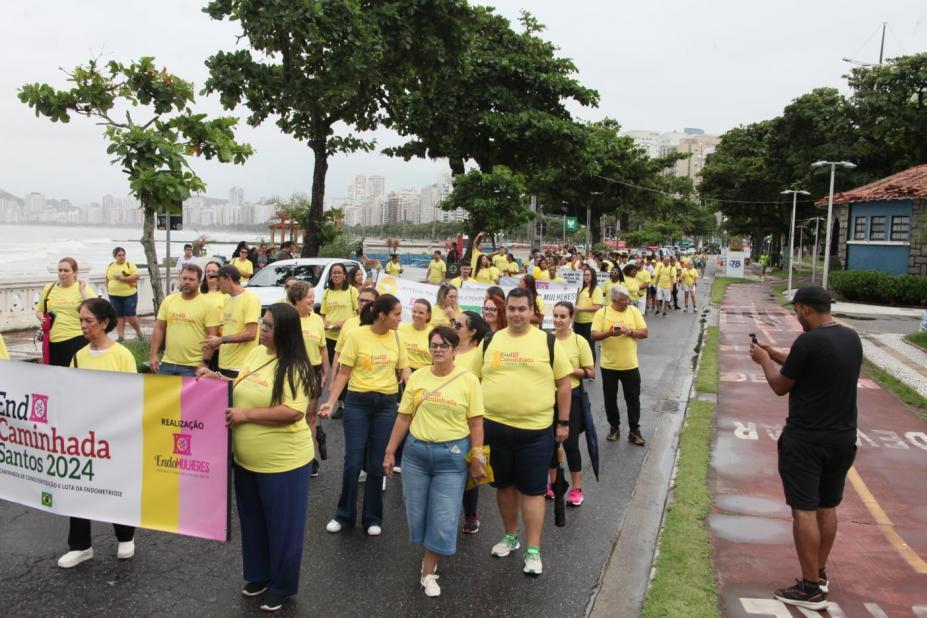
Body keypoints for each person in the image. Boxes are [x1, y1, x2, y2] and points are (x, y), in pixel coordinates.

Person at [749, 285, 861, 611]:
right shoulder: (850, 338)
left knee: (804, 511)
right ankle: (820, 573)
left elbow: (780, 385)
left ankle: (810, 589)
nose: (796, 315)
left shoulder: (808, 341)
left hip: (807, 440)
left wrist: (763, 361)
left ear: (806, 309)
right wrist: (774, 353)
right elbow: (806, 365)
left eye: (796, 310)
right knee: (828, 506)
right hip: (843, 438)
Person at [199, 303, 317, 613]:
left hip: (284, 464)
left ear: (285, 331)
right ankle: (259, 575)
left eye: (268, 326)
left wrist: (246, 415)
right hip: (246, 461)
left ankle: (281, 585)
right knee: (253, 523)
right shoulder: (255, 354)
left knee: (283, 528)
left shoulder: (295, 366)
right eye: (262, 323)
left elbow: (292, 412)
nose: (262, 330)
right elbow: (242, 388)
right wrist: (215, 378)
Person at [383, 325, 485, 598]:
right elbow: (404, 416)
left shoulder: (468, 380)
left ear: (455, 350)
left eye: (444, 346)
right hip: (415, 455)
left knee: (443, 515)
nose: (438, 350)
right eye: (434, 345)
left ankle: (428, 570)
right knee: (417, 512)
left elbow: (476, 423)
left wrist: (477, 457)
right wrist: (390, 451)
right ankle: (429, 553)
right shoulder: (417, 378)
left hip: (452, 457)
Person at [478, 288, 572, 576]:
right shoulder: (490, 340)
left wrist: (563, 423)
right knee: (504, 486)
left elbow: (564, 384)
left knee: (532, 490)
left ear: (532, 311)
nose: (516, 314)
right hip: (495, 428)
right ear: (505, 310)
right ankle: (510, 537)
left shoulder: (548, 341)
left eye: (522, 309)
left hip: (535, 431)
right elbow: (470, 376)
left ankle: (533, 550)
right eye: (512, 308)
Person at [320, 294, 410, 536]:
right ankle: (343, 515)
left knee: (377, 464)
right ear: (382, 315)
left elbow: (405, 372)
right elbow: (344, 373)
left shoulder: (397, 338)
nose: (400, 319)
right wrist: (330, 402)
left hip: (386, 406)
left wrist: (417, 394)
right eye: (396, 314)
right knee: (353, 462)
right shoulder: (357, 336)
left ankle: (372, 518)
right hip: (357, 403)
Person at [56, 298, 137, 569]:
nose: (83, 325)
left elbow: (131, 396)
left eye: (88, 321)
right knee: (78, 485)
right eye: (81, 320)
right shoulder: (78, 356)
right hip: (83, 437)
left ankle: (125, 536)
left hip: (113, 435)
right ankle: (80, 546)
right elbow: (69, 391)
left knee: (115, 485)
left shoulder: (121, 356)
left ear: (104, 323)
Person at [546, 302, 595, 506]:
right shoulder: (546, 339)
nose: (558, 320)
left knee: (571, 444)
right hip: (548, 397)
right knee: (550, 444)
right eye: (555, 316)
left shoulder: (579, 341)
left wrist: (568, 370)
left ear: (571, 318)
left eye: (563, 316)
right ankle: (553, 484)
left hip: (572, 397)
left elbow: (591, 372)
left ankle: (576, 489)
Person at [592, 285, 648, 445]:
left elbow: (644, 333)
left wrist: (631, 331)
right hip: (609, 365)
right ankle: (614, 428)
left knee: (633, 399)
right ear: (614, 300)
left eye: (628, 299)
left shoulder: (634, 311)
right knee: (610, 399)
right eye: (623, 300)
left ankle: (634, 431)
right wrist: (609, 333)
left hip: (630, 365)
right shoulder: (602, 313)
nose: (627, 302)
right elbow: (594, 335)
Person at [451, 311, 489, 535]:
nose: (453, 327)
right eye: (453, 323)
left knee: (469, 466)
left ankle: (471, 514)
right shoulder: (446, 349)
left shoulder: (479, 354)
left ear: (472, 331)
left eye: (458, 325)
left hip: (469, 419)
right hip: (445, 417)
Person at [287, 281, 329, 478]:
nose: (313, 300)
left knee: (310, 416)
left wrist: (326, 371)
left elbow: (323, 348)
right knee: (292, 414)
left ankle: (310, 459)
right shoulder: (287, 319)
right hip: (291, 370)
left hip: (313, 370)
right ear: (297, 299)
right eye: (308, 297)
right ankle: (291, 455)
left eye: (313, 296)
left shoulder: (317, 320)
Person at [149, 264, 220, 376]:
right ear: (179, 279)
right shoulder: (169, 301)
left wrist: (204, 363)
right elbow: (159, 328)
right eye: (184, 278)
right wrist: (153, 354)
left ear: (199, 282)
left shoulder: (209, 305)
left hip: (193, 366)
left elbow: (212, 338)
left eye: (191, 279)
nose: (187, 282)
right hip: (167, 363)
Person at [202, 265, 261, 379]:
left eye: (219, 279)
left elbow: (251, 334)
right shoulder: (227, 299)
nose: (217, 283)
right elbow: (230, 328)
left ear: (228, 279)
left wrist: (221, 340)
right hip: (224, 364)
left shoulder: (251, 299)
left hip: (240, 366)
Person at [37, 257, 98, 367]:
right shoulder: (49, 288)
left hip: (76, 338)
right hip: (52, 340)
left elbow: (96, 309)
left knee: (75, 373)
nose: (62, 273)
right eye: (60, 270)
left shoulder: (82, 288)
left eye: (66, 270)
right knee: (55, 373)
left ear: (75, 272)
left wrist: (82, 291)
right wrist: (42, 319)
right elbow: (39, 311)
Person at [330, 287, 379, 419]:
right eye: (361, 300)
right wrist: (333, 380)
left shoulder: (380, 326)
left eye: (368, 301)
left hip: (369, 383)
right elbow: (338, 353)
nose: (363, 304)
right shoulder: (348, 323)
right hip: (347, 377)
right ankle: (342, 407)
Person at [320, 263, 360, 367]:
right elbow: (323, 314)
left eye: (339, 273)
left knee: (345, 367)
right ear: (330, 275)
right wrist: (324, 322)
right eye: (334, 273)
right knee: (333, 366)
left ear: (344, 275)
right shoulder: (327, 292)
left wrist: (344, 323)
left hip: (347, 336)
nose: (336, 275)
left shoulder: (352, 291)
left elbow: (359, 314)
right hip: (329, 337)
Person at [105, 247, 143, 343]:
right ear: (115, 256)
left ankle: (139, 332)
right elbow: (107, 278)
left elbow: (137, 276)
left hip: (129, 294)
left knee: (130, 315)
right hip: (114, 295)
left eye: (123, 255)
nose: (122, 257)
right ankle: (121, 337)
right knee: (119, 316)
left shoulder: (129, 264)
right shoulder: (111, 265)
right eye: (119, 255)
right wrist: (108, 289)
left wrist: (122, 279)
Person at [573, 266, 603, 358]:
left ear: (593, 276)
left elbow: (597, 306)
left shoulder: (597, 289)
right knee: (579, 346)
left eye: (588, 275)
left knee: (589, 346)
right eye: (585, 275)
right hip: (578, 321)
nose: (586, 277)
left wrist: (581, 308)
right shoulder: (581, 288)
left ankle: (591, 366)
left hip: (589, 322)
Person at [398, 299, 434, 374]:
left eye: (421, 313)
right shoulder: (401, 329)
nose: (416, 315)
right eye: (414, 311)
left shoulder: (434, 333)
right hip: (402, 370)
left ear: (428, 315)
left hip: (424, 372)